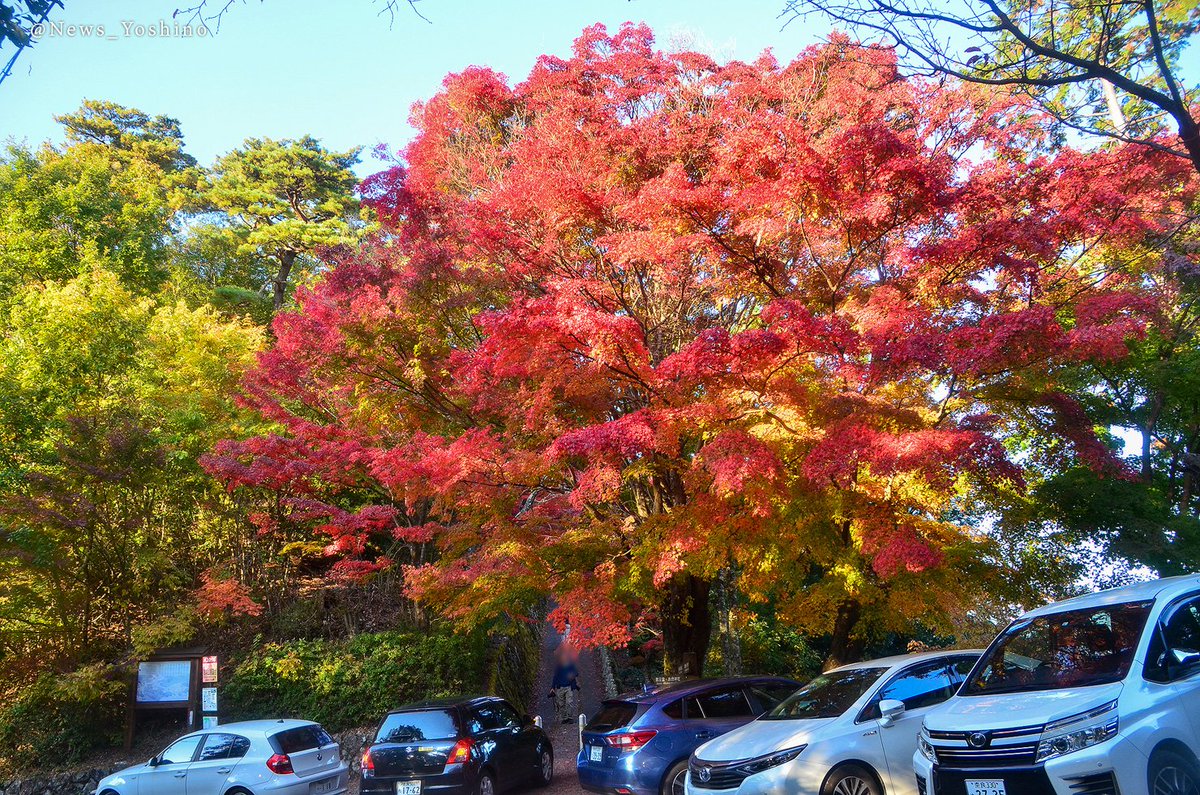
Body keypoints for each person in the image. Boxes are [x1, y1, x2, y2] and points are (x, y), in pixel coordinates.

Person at [549, 641, 581, 724]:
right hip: (560, 687)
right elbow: (555, 677)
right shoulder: (559, 667)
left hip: (568, 686)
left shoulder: (571, 665)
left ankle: (569, 717)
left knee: (569, 702)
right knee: (561, 703)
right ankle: (564, 718)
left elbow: (576, 673)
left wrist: (572, 675)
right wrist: (552, 687)